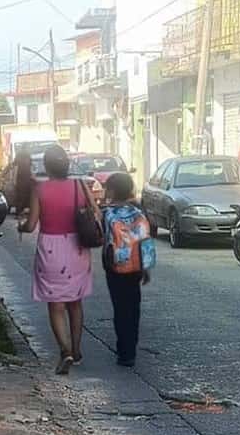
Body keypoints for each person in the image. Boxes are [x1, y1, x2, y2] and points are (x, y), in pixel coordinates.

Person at [19, 144, 94, 375]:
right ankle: (77, 349)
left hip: (51, 248)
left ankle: (65, 350)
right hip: (77, 249)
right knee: (75, 301)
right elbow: (95, 213)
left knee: (56, 303)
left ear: (47, 166)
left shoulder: (40, 190)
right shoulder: (79, 185)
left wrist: (21, 225)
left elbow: (31, 225)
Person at [101, 171, 152, 368]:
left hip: (114, 267)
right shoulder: (138, 213)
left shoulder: (107, 214)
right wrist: (146, 268)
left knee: (120, 307)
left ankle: (124, 351)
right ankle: (132, 346)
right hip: (136, 266)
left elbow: (102, 239)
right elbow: (145, 241)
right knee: (133, 305)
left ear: (111, 191)